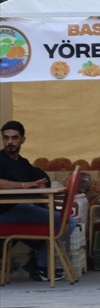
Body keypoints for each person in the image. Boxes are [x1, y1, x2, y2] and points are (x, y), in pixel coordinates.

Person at [0, 120, 74, 282]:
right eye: (6, 138)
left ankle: (38, 264)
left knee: (64, 222)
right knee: (65, 222)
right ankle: (40, 266)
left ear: (22, 140)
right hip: (6, 213)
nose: (10, 142)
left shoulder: (23, 163)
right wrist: (23, 185)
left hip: (21, 209)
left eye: (14, 138)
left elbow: (35, 178)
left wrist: (40, 183)